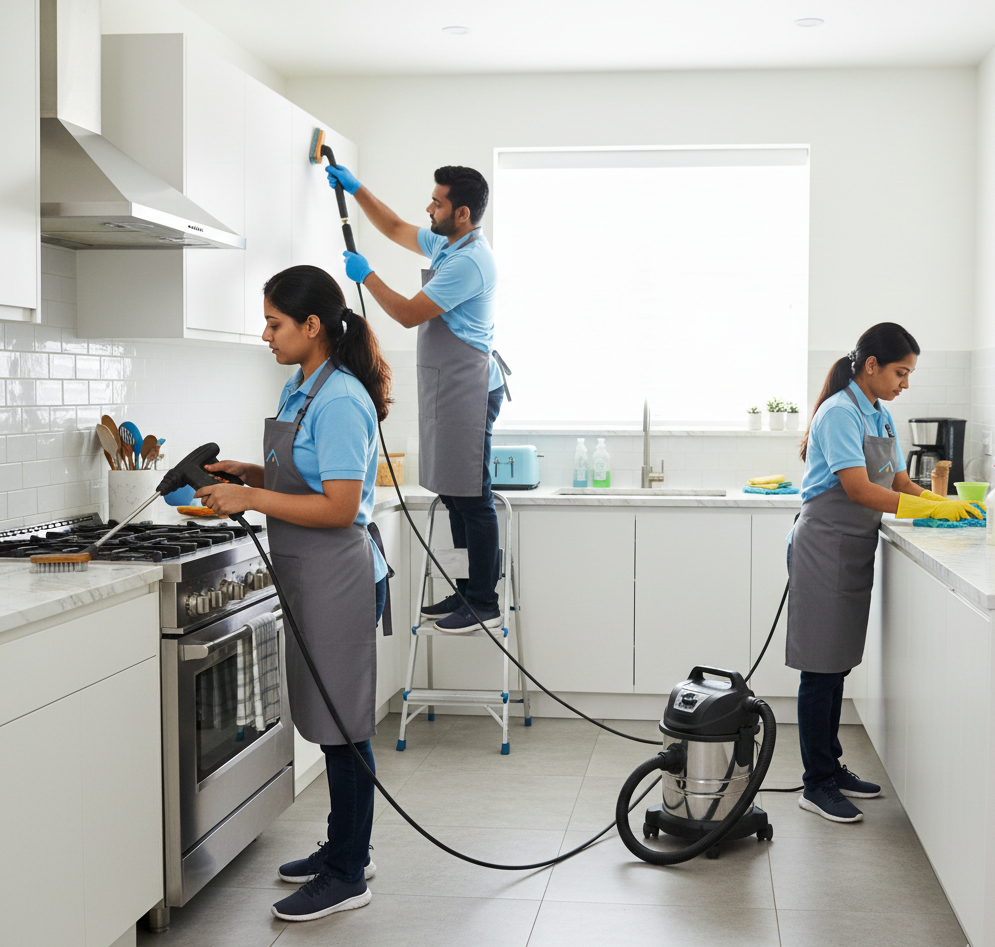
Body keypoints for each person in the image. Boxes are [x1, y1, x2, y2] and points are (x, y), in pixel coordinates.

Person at [195, 264, 392, 922]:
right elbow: (304, 475)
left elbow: (340, 506)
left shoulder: (340, 400)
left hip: (335, 571)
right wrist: (246, 473)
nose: (265, 333)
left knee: (344, 726)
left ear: (312, 326)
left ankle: (347, 872)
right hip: (306, 571)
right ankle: (345, 846)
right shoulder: (302, 386)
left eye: (275, 323)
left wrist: (250, 495)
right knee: (329, 719)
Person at [787, 322, 982, 824]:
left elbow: (894, 479)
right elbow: (856, 489)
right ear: (871, 365)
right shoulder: (838, 413)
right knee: (820, 668)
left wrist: (942, 501)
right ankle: (817, 783)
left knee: (838, 665)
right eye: (901, 371)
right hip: (824, 543)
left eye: (910, 373)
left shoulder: (881, 413)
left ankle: (831, 767)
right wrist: (929, 512)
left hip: (853, 546)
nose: (905, 383)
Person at [324, 162, 506, 634]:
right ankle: (466, 587)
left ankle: (484, 599)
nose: (429, 207)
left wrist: (366, 277)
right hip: (449, 384)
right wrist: (357, 188)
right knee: (451, 490)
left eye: (438, 202)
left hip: (469, 387)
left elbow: (406, 314)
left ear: (462, 213)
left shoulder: (469, 261)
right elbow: (395, 227)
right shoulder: (449, 242)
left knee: (472, 496)